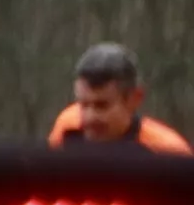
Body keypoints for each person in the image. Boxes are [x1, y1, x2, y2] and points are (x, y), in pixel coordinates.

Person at [50, 44, 194, 155]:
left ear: (134, 99)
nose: (89, 117)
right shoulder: (66, 128)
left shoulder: (168, 152)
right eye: (83, 104)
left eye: (102, 105)